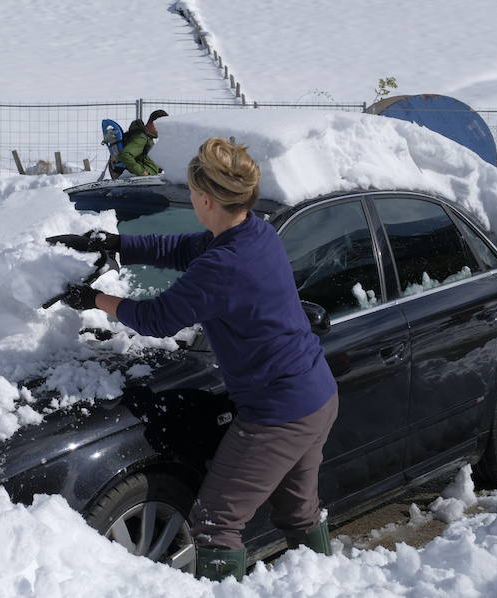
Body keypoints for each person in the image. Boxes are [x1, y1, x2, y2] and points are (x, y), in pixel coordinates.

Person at [46, 138, 339, 582]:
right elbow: (183, 249)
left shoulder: (225, 265)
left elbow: (159, 317)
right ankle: (325, 585)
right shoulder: (252, 232)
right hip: (316, 396)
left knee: (216, 521)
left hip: (276, 412)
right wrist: (113, 242)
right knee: (299, 512)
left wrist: (94, 298)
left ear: (204, 199)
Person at [116, 109, 168, 177]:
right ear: (153, 124)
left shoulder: (148, 137)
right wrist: (142, 172)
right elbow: (126, 155)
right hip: (142, 182)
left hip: (147, 181)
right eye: (162, 126)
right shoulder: (142, 138)